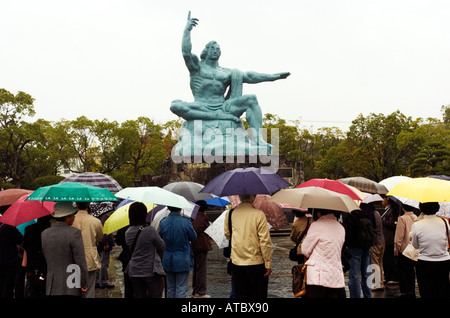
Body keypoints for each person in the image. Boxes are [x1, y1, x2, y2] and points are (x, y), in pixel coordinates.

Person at [170, 12, 290, 149]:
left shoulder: (226, 72)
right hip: (201, 106)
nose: (216, 50)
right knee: (175, 105)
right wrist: (187, 30)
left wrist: (273, 77)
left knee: (251, 99)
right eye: (213, 48)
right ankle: (213, 116)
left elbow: (250, 77)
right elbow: (186, 53)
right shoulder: (197, 68)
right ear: (206, 51)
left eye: (218, 49)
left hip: (224, 107)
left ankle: (258, 140)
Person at [224, 194, 272, 298]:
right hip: (256, 262)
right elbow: (264, 241)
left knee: (241, 295)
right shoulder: (258, 214)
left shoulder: (230, 214)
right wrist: (267, 263)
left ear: (240, 198)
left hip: (237, 262)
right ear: (253, 198)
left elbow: (227, 234)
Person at [41, 201, 88, 297]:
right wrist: (84, 282)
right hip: (71, 282)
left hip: (52, 284)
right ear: (67, 217)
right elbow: (80, 261)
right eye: (72, 215)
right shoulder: (74, 233)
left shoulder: (45, 233)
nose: (74, 217)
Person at [301, 209, 346, 298]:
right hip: (335, 275)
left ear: (319, 212)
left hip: (317, 276)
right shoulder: (341, 228)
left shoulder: (316, 226)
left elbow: (305, 250)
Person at [125, 202, 165, 298]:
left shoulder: (128, 232)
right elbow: (162, 246)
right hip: (150, 270)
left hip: (134, 270)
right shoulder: (150, 230)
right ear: (144, 214)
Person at [411, 202, 450, 298]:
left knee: (426, 291)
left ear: (421, 209)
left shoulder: (417, 225)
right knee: (442, 290)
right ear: (437, 207)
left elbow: (415, 246)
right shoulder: (445, 222)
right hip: (444, 261)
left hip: (424, 262)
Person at [159, 205, 197, 298]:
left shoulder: (163, 222)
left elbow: (160, 237)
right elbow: (194, 237)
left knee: (170, 287)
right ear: (180, 208)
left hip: (167, 258)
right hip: (182, 258)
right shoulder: (185, 221)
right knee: (181, 287)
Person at [343, 203, 377, 298]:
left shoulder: (351, 211)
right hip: (367, 245)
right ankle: (368, 295)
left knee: (354, 275)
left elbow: (348, 231)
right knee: (366, 274)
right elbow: (373, 227)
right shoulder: (370, 210)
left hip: (354, 246)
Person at [72, 201, 103, 298]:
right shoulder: (95, 221)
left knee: (73, 287)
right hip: (90, 258)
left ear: (76, 205)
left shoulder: (70, 220)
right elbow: (99, 238)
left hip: (73, 257)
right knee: (89, 289)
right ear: (88, 205)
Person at [23, 215, 51, 298]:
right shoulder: (49, 230)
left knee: (32, 288)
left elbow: (25, 245)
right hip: (46, 263)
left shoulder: (29, 229)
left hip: (32, 263)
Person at [394, 203, 417, 298]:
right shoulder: (416, 217)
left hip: (404, 249)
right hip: (414, 249)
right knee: (411, 271)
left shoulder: (402, 219)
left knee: (402, 271)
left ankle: (404, 291)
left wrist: (396, 248)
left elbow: (399, 236)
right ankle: (411, 291)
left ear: (403, 208)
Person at [191, 200, 212, 298]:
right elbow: (203, 228)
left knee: (196, 269)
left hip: (194, 246)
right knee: (201, 269)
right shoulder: (202, 217)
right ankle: (200, 292)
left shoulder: (193, 216)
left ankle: (195, 289)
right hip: (201, 245)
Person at [0, 222, 23, 298]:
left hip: (2, 258)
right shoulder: (10, 227)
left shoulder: (2, 227)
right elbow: (20, 239)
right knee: (9, 283)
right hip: (10, 260)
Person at [381, 196, 400, 285]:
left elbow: (393, 224)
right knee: (386, 258)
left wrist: (382, 221)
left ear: (388, 201)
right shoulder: (386, 210)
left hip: (390, 238)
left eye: (384, 199)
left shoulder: (392, 210)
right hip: (386, 238)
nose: (382, 200)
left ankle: (393, 277)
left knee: (390, 259)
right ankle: (388, 276)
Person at [96, 209, 115, 289]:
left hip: (100, 243)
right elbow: (104, 231)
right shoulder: (105, 218)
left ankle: (97, 281)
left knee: (100, 262)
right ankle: (103, 281)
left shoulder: (100, 217)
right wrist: (105, 243)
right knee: (104, 263)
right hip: (104, 244)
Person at [370, 205, 385, 291]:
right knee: (380, 262)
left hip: (375, 242)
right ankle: (381, 283)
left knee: (374, 263)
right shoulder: (377, 213)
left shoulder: (371, 215)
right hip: (382, 240)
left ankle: (376, 284)